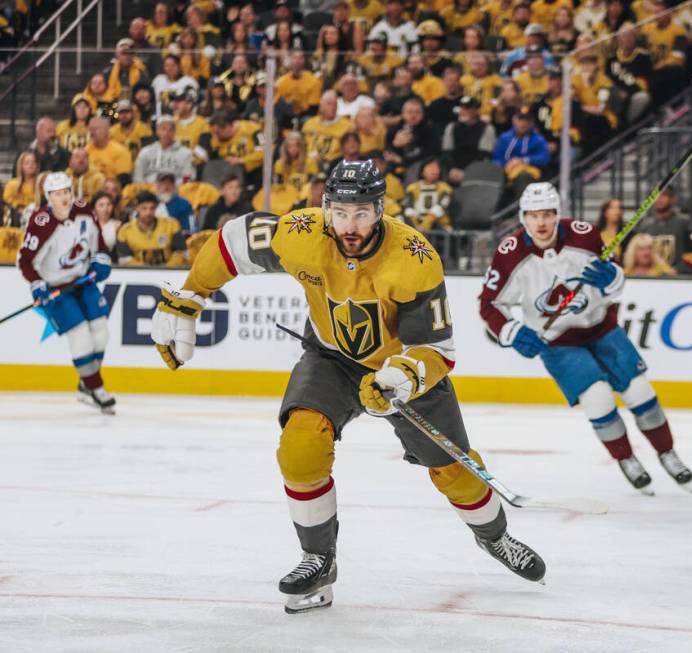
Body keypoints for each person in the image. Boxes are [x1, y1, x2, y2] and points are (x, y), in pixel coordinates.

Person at [148, 160, 545, 613]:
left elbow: (438, 349)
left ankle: (495, 537)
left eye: (360, 213)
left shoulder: (414, 258)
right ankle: (318, 560)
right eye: (339, 212)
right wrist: (188, 298)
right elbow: (233, 241)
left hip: (402, 373)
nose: (349, 224)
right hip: (331, 358)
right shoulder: (302, 232)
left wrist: (402, 378)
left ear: (379, 210)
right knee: (300, 446)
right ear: (325, 208)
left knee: (454, 470)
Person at [478, 182, 692, 493]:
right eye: (533, 215)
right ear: (523, 217)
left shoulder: (584, 234)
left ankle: (667, 453)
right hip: (557, 342)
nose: (541, 223)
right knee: (598, 398)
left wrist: (612, 279)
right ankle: (626, 458)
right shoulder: (509, 253)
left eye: (548, 214)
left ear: (557, 214)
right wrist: (513, 331)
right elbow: (489, 304)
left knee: (640, 392)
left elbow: (612, 278)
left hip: (601, 327)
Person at [16, 173, 115, 413]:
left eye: (67, 192)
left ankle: (85, 385)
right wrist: (38, 284)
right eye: (58, 194)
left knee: (100, 332)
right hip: (55, 289)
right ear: (48, 198)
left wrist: (101, 259)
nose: (64, 197)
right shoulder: (41, 223)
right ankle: (96, 387)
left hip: (82, 281)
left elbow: (98, 243)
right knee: (80, 336)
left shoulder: (83, 210)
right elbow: (25, 261)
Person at [115, 191, 188, 267]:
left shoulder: (171, 225)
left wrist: (166, 269)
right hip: (138, 275)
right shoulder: (125, 231)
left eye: (152, 208)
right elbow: (125, 259)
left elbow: (181, 253)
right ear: (137, 208)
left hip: (169, 273)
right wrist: (147, 272)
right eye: (144, 208)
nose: (148, 212)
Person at [442, 95, 497, 183]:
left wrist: (467, 172)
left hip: (476, 171)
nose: (464, 111)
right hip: (453, 171)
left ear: (476, 111)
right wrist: (452, 169)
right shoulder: (451, 127)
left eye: (468, 109)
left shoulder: (486, 128)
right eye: (462, 108)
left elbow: (485, 155)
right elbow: (446, 152)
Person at [134, 115, 195, 185]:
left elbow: (188, 178)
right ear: (157, 131)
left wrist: (169, 187)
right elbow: (138, 177)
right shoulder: (145, 152)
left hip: (175, 191)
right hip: (149, 191)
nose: (166, 133)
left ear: (174, 132)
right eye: (163, 129)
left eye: (170, 130)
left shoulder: (186, 153)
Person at [402, 158, 453, 231]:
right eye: (430, 167)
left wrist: (425, 225)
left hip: (439, 226)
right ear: (422, 171)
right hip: (415, 226)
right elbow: (408, 208)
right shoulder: (412, 188)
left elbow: (441, 207)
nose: (434, 170)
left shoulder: (446, 188)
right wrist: (416, 227)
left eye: (437, 168)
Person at [85, 117, 134, 186]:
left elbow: (123, 182)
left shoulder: (121, 151)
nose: (91, 132)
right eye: (90, 129)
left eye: (95, 129)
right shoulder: (86, 150)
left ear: (107, 131)